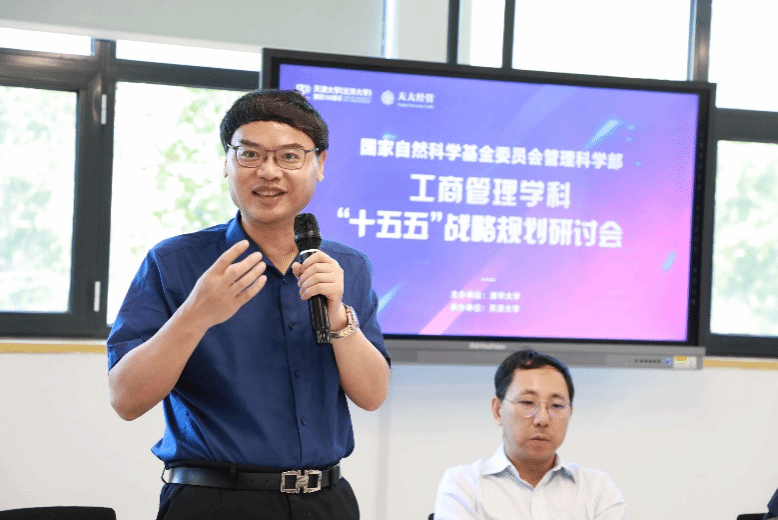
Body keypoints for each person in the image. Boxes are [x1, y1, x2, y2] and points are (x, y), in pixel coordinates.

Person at [107, 89, 391, 520]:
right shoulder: (175, 262)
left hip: (326, 500)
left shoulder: (347, 267)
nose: (269, 171)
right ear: (227, 162)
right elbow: (126, 400)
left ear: (320, 164)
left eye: (289, 156)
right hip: (213, 501)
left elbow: (372, 396)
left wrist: (337, 316)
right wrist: (196, 313)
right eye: (250, 154)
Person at [433, 349, 626, 520]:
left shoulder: (597, 489)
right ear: (497, 410)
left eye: (556, 405)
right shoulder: (465, 485)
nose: (542, 419)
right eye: (527, 403)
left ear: (570, 413)